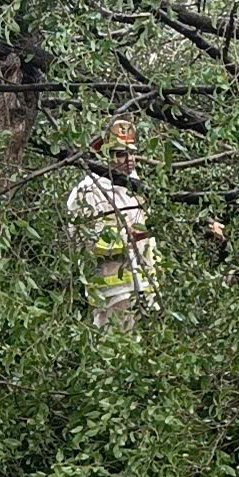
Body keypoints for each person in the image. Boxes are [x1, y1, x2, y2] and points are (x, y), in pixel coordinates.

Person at [65, 118, 160, 330]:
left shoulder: (134, 187)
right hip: (112, 294)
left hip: (145, 289)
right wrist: (129, 238)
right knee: (117, 352)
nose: (130, 160)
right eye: (120, 153)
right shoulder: (89, 192)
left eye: (131, 152)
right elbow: (85, 245)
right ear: (102, 155)